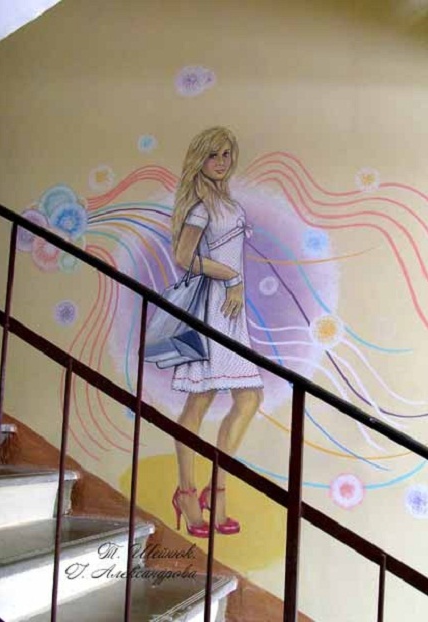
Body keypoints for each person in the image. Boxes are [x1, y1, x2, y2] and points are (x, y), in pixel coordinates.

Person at [170, 126, 264, 537]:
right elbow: (183, 256)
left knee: (249, 397)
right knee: (200, 400)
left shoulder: (229, 204)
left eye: (227, 154)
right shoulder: (200, 208)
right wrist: (230, 277)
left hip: (231, 312)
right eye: (213, 155)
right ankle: (188, 492)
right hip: (212, 309)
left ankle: (217, 489)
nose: (222, 162)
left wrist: (237, 285)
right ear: (200, 159)